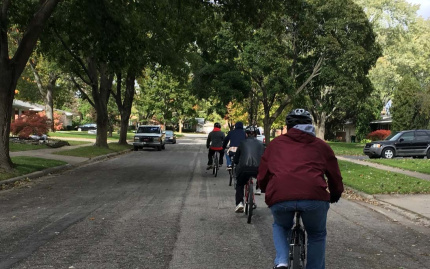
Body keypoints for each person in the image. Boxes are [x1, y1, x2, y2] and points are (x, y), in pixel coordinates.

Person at [257, 108, 344, 269]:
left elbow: (263, 173)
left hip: (281, 196)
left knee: (281, 226)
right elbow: (334, 175)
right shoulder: (321, 146)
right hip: (314, 197)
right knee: (316, 234)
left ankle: (282, 261)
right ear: (310, 125)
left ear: (288, 127)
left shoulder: (275, 144)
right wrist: (335, 194)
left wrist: (264, 188)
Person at [234, 126, 265, 212]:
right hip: (257, 168)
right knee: (260, 174)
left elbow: (236, 159)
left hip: (243, 168)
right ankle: (258, 188)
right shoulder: (261, 144)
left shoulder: (242, 143)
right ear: (256, 135)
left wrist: (236, 163)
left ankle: (239, 203)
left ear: (246, 134)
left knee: (239, 184)